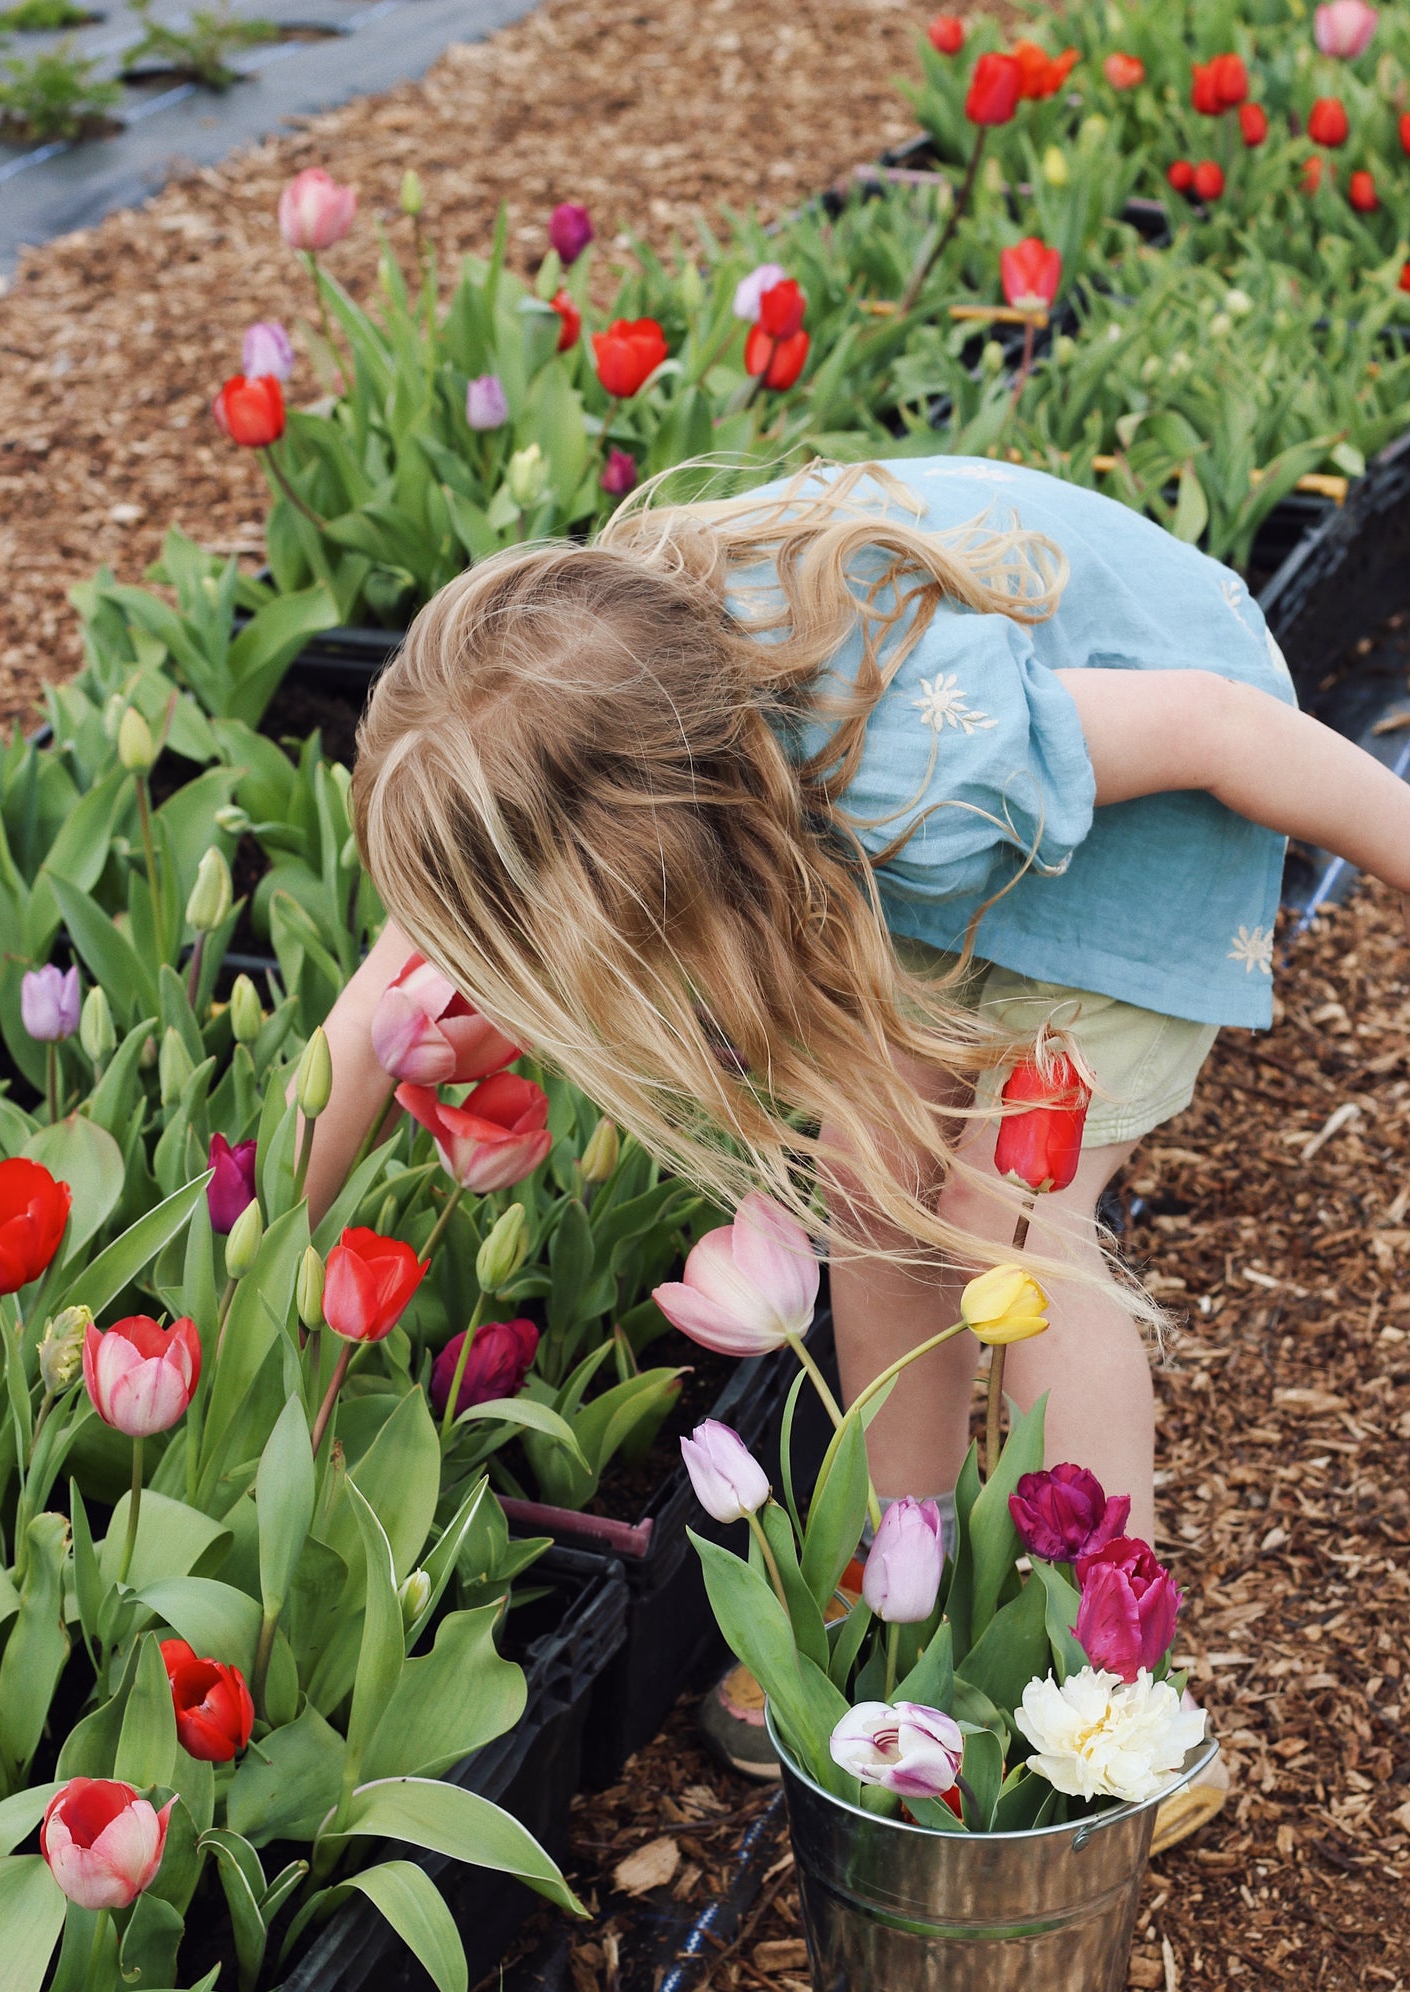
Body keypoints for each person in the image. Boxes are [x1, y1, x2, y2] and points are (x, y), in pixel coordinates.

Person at [312, 456, 1410, 1832]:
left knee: (1015, 1221)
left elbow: (1215, 727)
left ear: (658, 866)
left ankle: (1124, 1694)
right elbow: (380, 1005)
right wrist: (259, 1250)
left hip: (1152, 813)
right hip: (920, 841)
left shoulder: (914, 761)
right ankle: (902, 1574)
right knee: (871, 1179)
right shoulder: (545, 734)